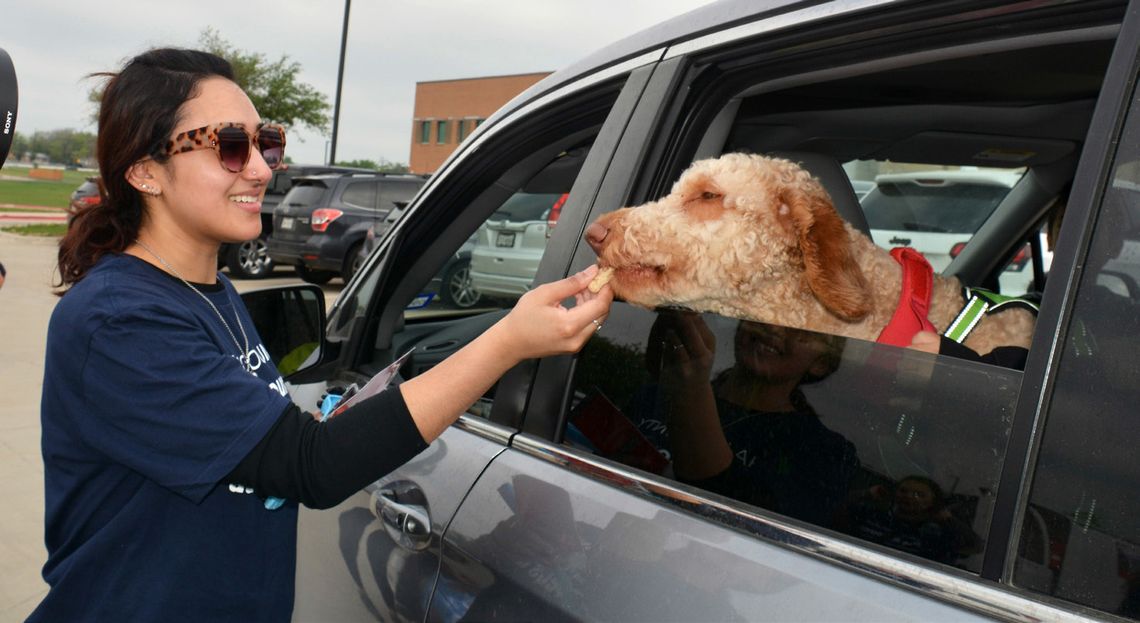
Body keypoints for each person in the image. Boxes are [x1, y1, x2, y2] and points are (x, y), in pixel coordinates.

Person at [33, 48, 611, 623]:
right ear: (143, 170)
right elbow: (310, 465)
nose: (261, 168)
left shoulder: (213, 293)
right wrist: (507, 341)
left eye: (268, 142)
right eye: (230, 146)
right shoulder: (120, 319)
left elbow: (268, 439)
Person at [628, 311, 858, 527]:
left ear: (822, 363)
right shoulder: (654, 395)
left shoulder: (823, 452)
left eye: (803, 327)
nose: (774, 326)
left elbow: (745, 525)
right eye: (766, 309)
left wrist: (690, 386)